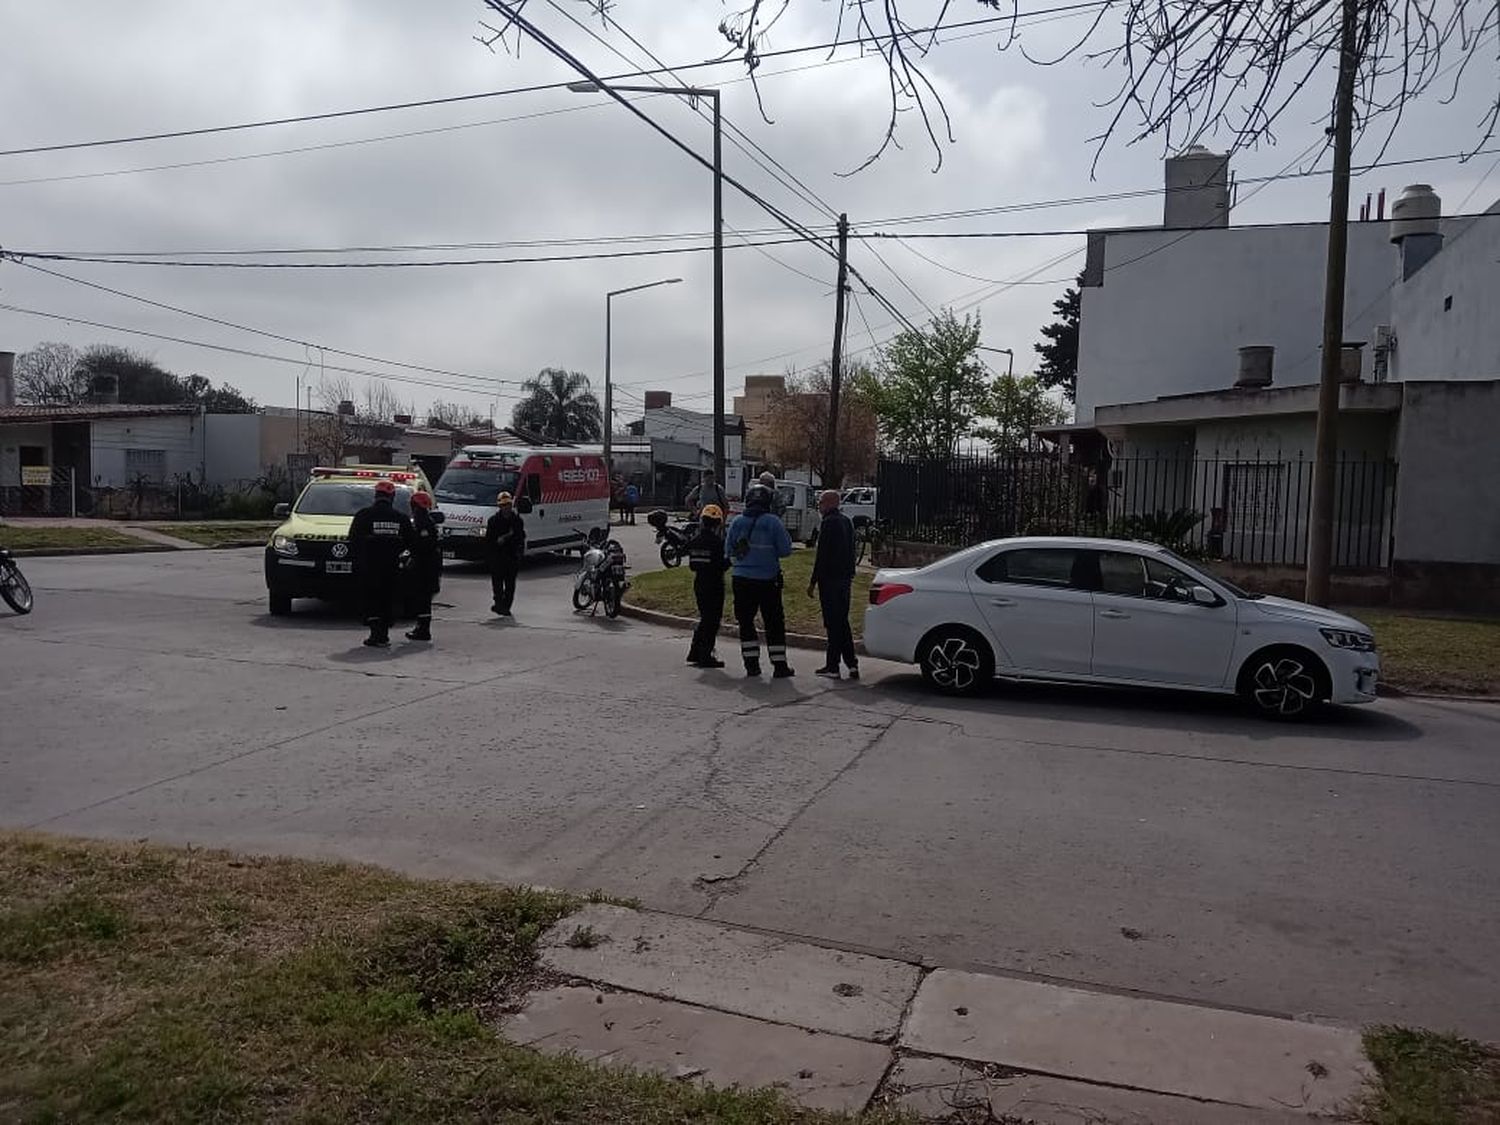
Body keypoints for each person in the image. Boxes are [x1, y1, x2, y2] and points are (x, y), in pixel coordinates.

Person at [725, 483, 794, 679]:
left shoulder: (737, 522)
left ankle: (751, 666)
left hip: (741, 579)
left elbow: (728, 549)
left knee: (746, 622)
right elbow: (785, 550)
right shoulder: (773, 522)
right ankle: (780, 666)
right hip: (767, 580)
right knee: (773, 623)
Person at [349, 479, 414, 648]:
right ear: (392, 496)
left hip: (369, 567)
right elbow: (410, 542)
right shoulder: (401, 518)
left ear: (376, 495)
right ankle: (383, 634)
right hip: (392, 568)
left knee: (371, 600)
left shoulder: (363, 515)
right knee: (387, 600)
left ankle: (375, 633)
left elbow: (353, 540)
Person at [808, 489, 859, 680]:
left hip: (830, 580)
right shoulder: (847, 522)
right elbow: (852, 551)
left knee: (832, 623)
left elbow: (822, 556)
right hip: (845, 579)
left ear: (829, 503)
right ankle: (852, 664)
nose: (819, 506)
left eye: (821, 502)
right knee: (842, 622)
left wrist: (813, 582)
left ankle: (833, 666)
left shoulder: (828, 523)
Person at [685, 503, 730, 668]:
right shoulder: (717, 543)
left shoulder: (695, 541)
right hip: (714, 585)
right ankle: (705, 655)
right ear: (718, 523)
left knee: (705, 617)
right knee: (712, 621)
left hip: (699, 583)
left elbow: (692, 565)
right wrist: (732, 559)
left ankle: (695, 651)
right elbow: (721, 566)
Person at [404, 490, 442, 642]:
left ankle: (423, 630)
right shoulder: (427, 520)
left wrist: (411, 551)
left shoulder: (422, 522)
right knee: (423, 598)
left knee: (423, 598)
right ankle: (421, 627)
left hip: (424, 566)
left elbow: (422, 545)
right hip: (429, 565)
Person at [485, 490, 526, 616]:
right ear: (499, 507)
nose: (506, 508)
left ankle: (506, 606)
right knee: (497, 584)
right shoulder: (493, 521)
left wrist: (518, 553)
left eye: (507, 505)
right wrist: (497, 542)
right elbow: (488, 540)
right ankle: (498, 604)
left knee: (510, 584)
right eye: (503, 505)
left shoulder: (517, 520)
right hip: (497, 557)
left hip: (511, 557)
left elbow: (520, 538)